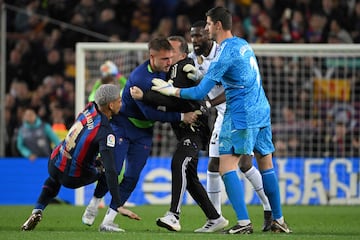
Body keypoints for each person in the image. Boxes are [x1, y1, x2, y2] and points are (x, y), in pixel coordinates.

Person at [151, 6, 292, 234]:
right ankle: (278, 219)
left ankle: (244, 223)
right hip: (261, 110)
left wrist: (171, 90)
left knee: (226, 167)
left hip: (240, 115)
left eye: (207, 24)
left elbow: (198, 94)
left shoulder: (224, 54)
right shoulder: (243, 44)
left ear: (217, 25)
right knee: (266, 166)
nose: (206, 28)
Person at [81, 37, 199, 232]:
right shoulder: (140, 78)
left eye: (170, 58)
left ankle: (108, 221)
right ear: (151, 57)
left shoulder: (169, 71)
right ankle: (94, 203)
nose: (169, 63)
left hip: (144, 132)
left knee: (132, 176)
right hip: (124, 125)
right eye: (164, 59)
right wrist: (181, 116)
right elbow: (149, 113)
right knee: (114, 168)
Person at [130, 35, 228, 233]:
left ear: (182, 54)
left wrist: (145, 96)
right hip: (189, 129)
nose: (168, 54)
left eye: (171, 51)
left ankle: (173, 215)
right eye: (165, 52)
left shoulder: (179, 67)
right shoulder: (177, 69)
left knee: (178, 162)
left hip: (194, 128)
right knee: (190, 178)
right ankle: (215, 218)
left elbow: (173, 100)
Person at [187, 20, 273, 231]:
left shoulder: (223, 53)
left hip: (236, 112)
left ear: (210, 33)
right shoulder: (192, 59)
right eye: (193, 36)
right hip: (223, 116)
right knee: (215, 165)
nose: (195, 40)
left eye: (200, 35)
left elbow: (230, 88)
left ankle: (266, 209)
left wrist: (207, 101)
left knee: (242, 165)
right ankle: (216, 217)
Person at [21, 84, 132, 232]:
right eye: (119, 100)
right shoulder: (105, 132)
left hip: (55, 162)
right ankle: (93, 207)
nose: (121, 103)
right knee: (110, 169)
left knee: (54, 179)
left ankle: (37, 211)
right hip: (72, 176)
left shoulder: (89, 107)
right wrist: (118, 204)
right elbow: (111, 170)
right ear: (111, 105)